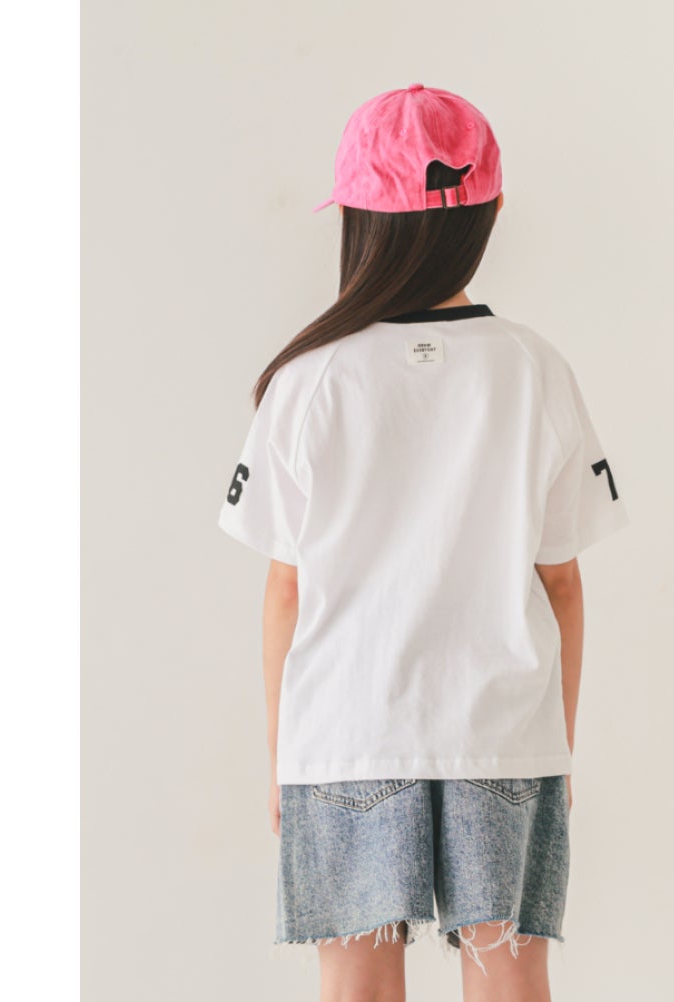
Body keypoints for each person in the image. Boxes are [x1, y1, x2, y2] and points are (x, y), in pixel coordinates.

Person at [218, 83, 630, 1000]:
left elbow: (286, 589)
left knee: (356, 986)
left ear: (355, 219)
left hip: (346, 732)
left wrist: (286, 759)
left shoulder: (307, 380)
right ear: (491, 211)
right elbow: (561, 582)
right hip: (504, 731)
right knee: (510, 980)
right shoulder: (535, 369)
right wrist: (556, 747)